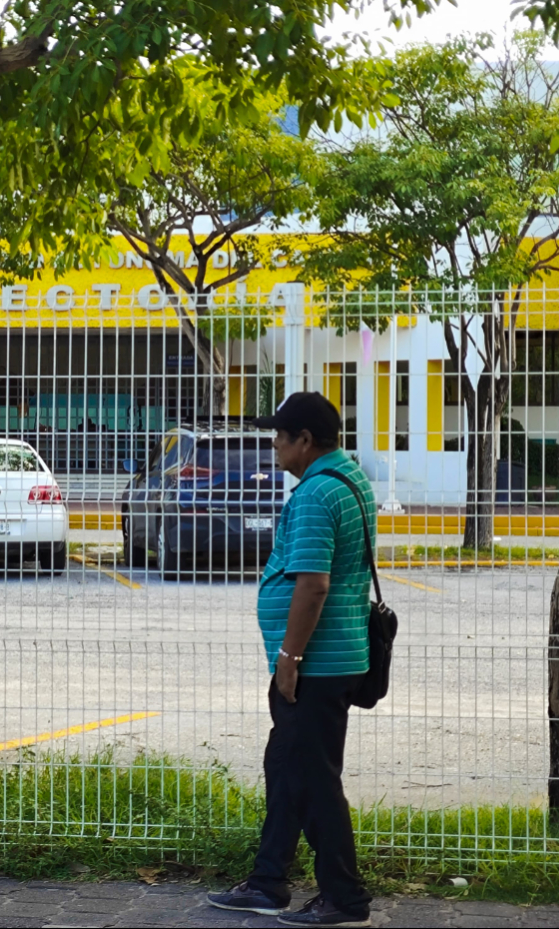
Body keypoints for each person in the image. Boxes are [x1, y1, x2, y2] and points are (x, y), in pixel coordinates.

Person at [207, 392, 375, 928]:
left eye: (280, 435)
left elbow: (313, 585)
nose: (273, 444)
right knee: (285, 769)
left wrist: (288, 657)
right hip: (332, 657)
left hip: (315, 666)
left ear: (305, 441)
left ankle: (344, 899)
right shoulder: (349, 479)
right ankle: (266, 882)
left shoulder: (317, 494)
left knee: (313, 780)